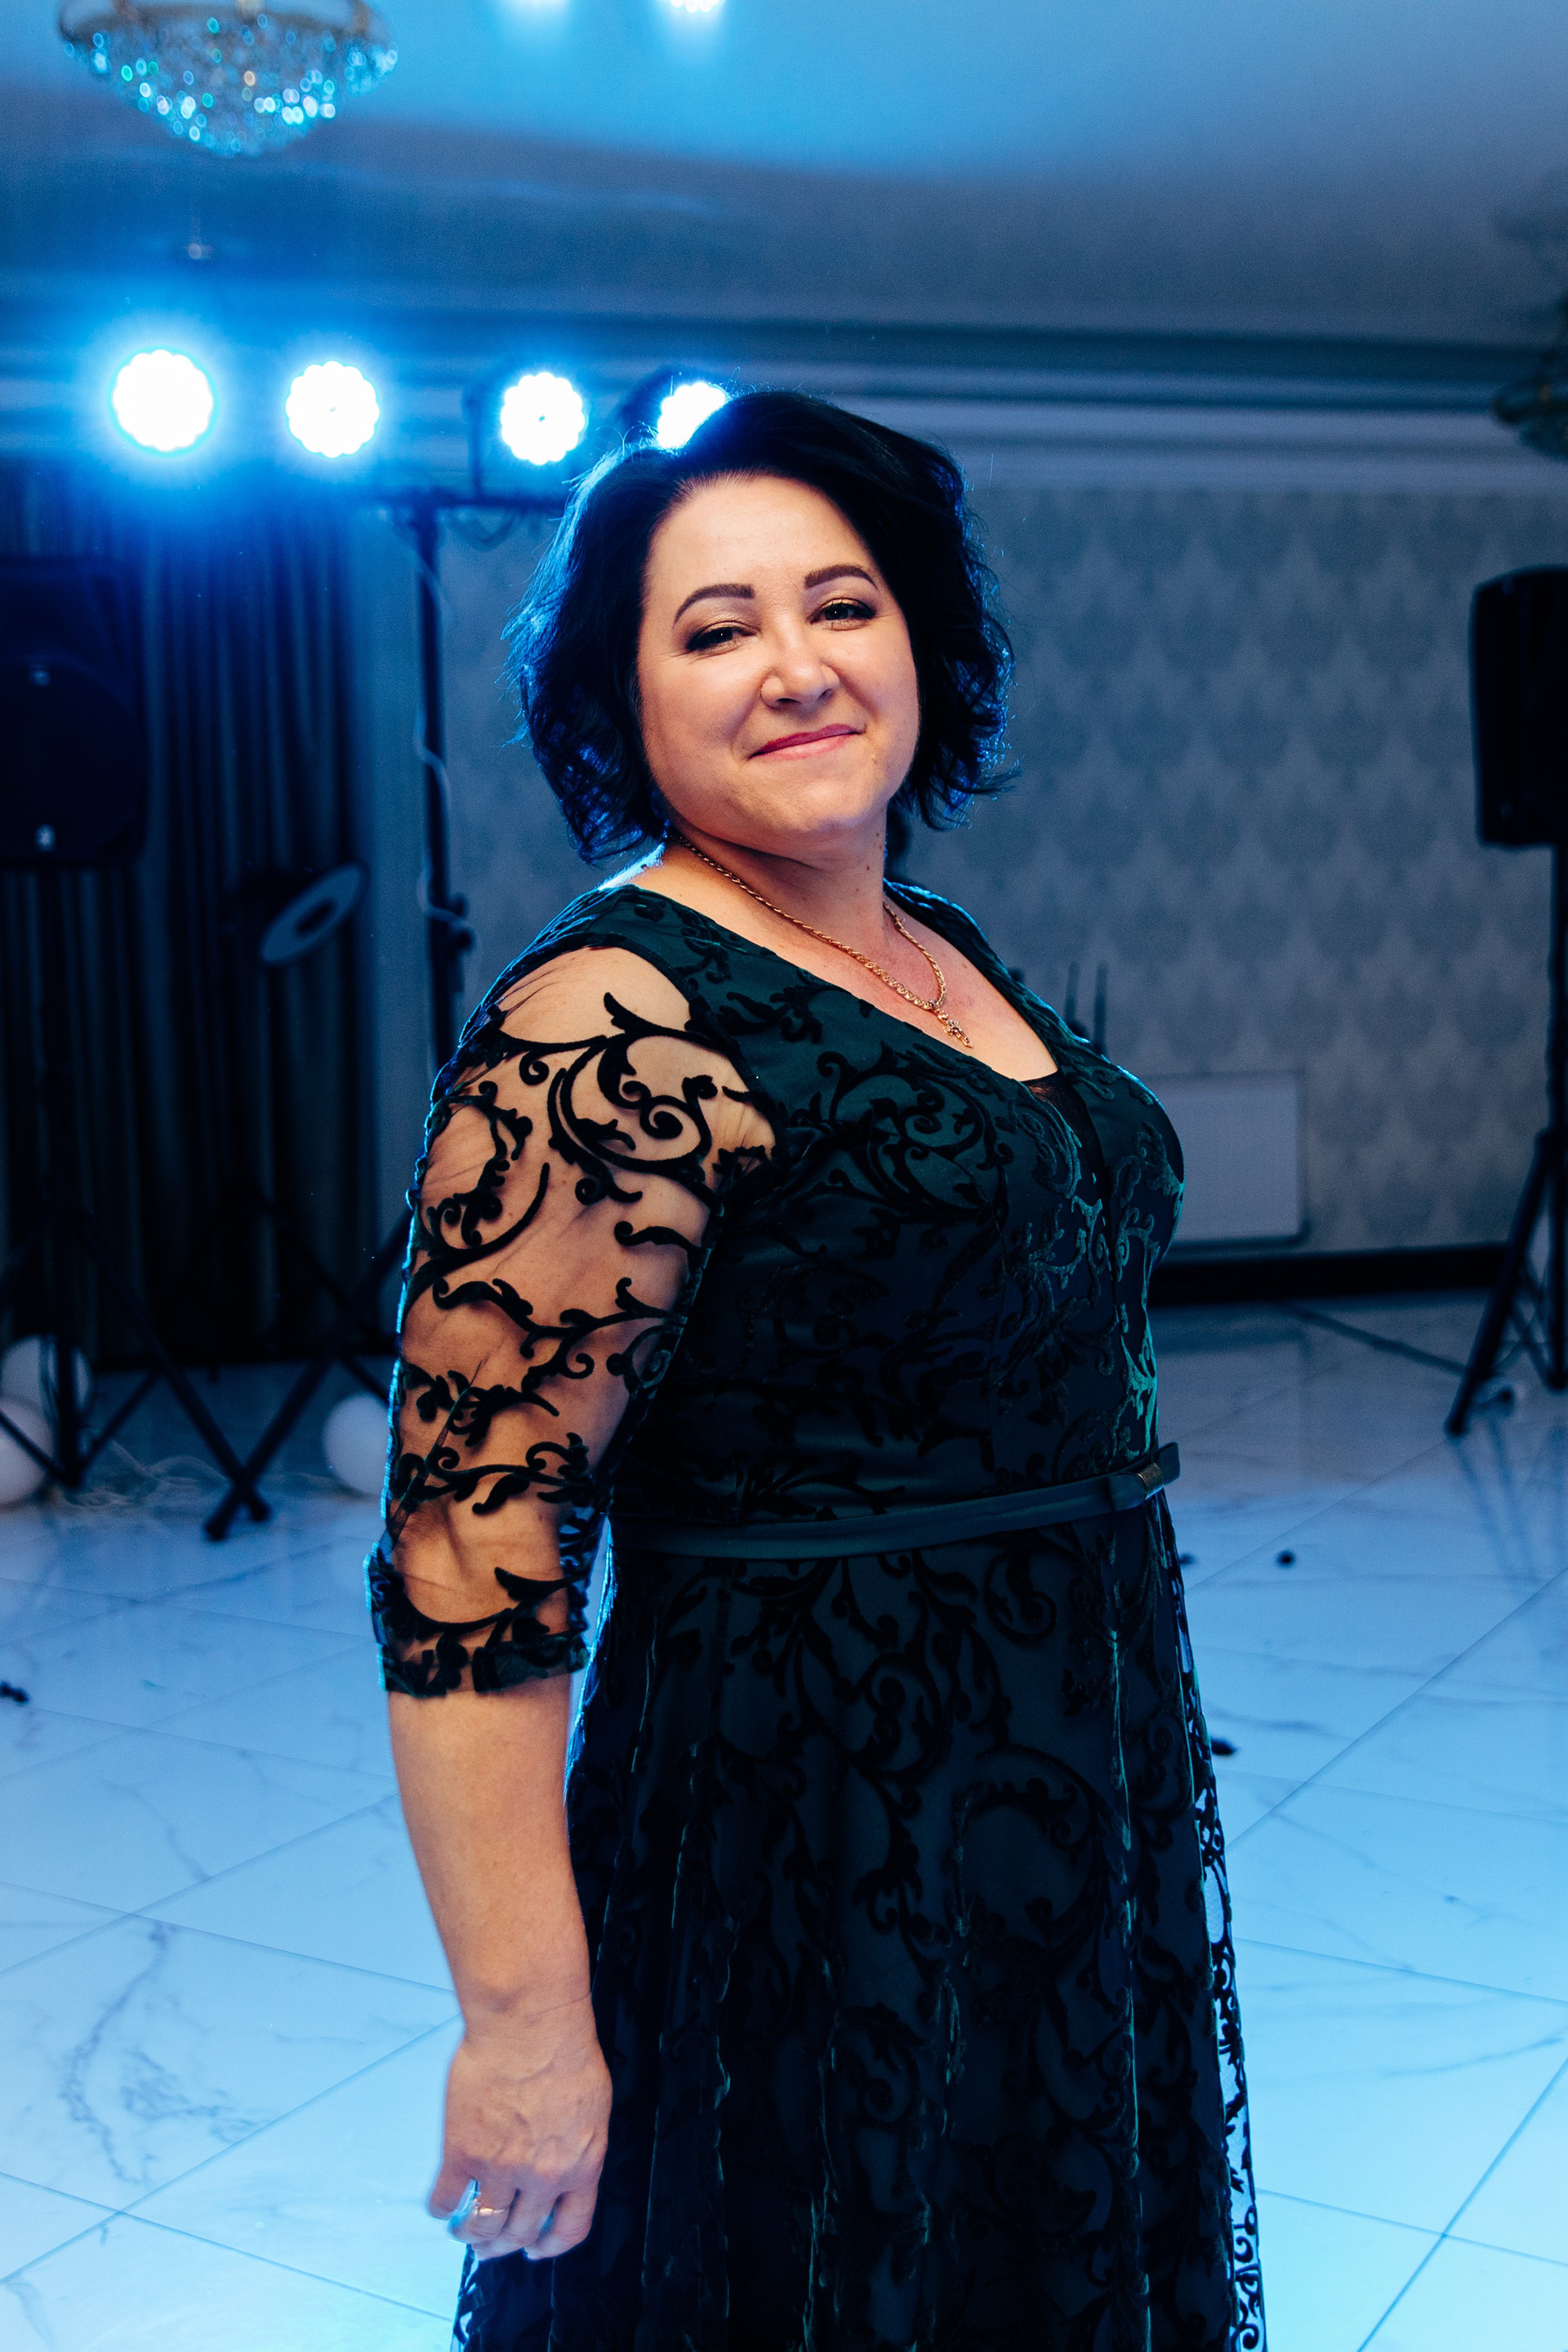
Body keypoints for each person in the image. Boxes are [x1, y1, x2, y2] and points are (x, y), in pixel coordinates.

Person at [372, 390, 1266, 2352]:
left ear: (921, 640)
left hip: (1063, 1772)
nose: (796, 666)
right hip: (801, 1816)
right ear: (625, 702)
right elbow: (467, 1560)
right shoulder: (609, 1018)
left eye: (841, 605)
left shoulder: (933, 942)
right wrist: (522, 2025)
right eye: (717, 629)